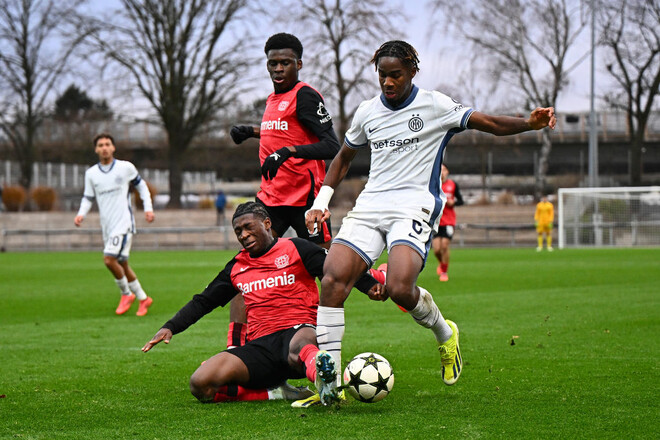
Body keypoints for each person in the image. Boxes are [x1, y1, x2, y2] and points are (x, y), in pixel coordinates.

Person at [305, 40, 557, 405]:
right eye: (382, 75)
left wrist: (527, 124)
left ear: (411, 73)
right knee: (332, 278)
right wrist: (322, 201)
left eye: (395, 75)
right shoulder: (366, 112)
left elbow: (485, 122)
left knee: (400, 288)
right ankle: (328, 389)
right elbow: (343, 157)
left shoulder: (435, 105)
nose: (388, 82)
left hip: (414, 207)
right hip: (371, 206)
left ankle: (445, 332)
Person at [141, 202, 386, 407]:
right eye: (238, 231)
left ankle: (324, 379)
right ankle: (275, 392)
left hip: (299, 333)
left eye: (248, 227)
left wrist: (369, 286)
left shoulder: (296, 248)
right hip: (260, 348)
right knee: (201, 383)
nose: (243, 235)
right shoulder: (236, 267)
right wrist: (171, 327)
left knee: (302, 343)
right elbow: (204, 301)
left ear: (267, 224)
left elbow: (336, 270)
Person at [226, 33, 341, 349]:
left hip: (305, 202)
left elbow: (331, 144)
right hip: (270, 201)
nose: (278, 68)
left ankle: (324, 350)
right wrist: (250, 131)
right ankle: (238, 349)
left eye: (285, 62)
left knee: (327, 275)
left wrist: (288, 152)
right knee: (245, 269)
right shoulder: (272, 100)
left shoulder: (305, 96)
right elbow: (282, 129)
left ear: (298, 64)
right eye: (273, 63)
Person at [74, 133, 155, 316]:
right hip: (107, 226)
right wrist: (81, 214)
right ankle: (143, 298)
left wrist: (148, 208)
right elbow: (88, 197)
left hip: (123, 223)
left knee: (109, 259)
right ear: (96, 149)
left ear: (113, 147)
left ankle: (126, 294)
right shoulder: (91, 174)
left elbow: (141, 186)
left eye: (107, 144)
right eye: (100, 145)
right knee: (122, 264)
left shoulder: (125, 168)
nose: (104, 147)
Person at [432, 164, 464, 282]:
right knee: (436, 250)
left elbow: (461, 201)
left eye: (444, 170)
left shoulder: (452, 185)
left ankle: (444, 272)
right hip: (436, 221)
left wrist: (453, 202)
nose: (442, 172)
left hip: (449, 221)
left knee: (444, 246)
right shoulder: (433, 185)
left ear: (447, 172)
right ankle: (442, 264)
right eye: (439, 170)